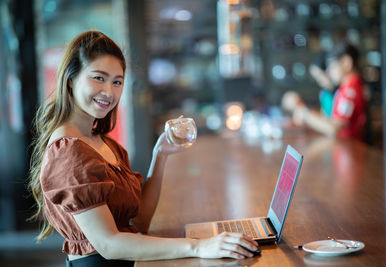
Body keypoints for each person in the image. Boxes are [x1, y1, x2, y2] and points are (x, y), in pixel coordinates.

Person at [28, 30, 259, 266]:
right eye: (98, 78)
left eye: (117, 81)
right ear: (71, 79)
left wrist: (161, 155)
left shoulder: (104, 143)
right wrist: (199, 245)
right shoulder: (69, 152)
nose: (109, 92)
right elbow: (109, 245)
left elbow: (138, 223)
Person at [282, 43, 367, 141]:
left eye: (333, 67)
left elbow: (334, 128)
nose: (330, 72)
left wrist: (304, 112)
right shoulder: (347, 87)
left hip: (350, 148)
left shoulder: (350, 89)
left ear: (347, 62)